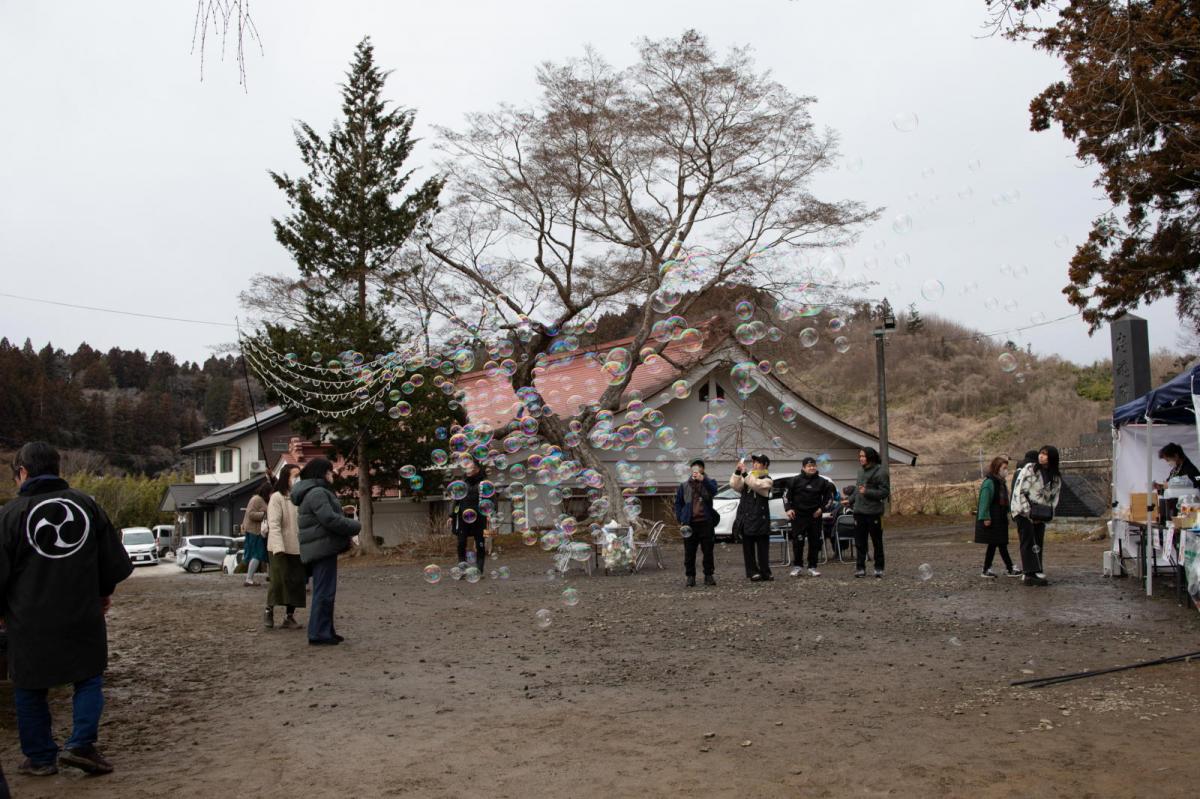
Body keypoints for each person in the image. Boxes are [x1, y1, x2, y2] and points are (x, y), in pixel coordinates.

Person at [0, 442, 133, 776]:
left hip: (27, 618)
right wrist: (104, 593)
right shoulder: (87, 505)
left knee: (29, 687)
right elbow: (112, 561)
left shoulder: (9, 515)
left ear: (23, 472)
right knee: (87, 678)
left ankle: (40, 757)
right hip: (82, 612)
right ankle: (81, 745)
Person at [292, 458, 361, 646]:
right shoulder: (317, 493)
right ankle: (318, 633)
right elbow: (329, 518)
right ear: (322, 473)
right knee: (324, 592)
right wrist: (354, 526)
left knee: (325, 591)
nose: (332, 474)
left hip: (320, 547)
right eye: (329, 471)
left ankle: (326, 630)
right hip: (322, 548)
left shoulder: (312, 490)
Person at [1011, 445, 1062, 587]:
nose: (1041, 456)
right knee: (1028, 541)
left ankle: (1037, 569)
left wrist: (1047, 514)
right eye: (1041, 453)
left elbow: (1054, 498)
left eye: (1045, 454)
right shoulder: (1030, 469)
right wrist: (1028, 513)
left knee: (1038, 541)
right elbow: (1020, 490)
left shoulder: (1055, 477)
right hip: (1023, 510)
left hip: (1041, 513)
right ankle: (1029, 572)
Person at [265, 464, 305, 630]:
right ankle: (269, 611)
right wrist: (278, 547)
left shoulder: (300, 497)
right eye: (294, 476)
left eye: (299, 475)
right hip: (278, 547)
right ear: (285, 478)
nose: (297, 479)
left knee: (296, 582)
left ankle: (289, 616)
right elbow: (274, 524)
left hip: (297, 547)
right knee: (277, 580)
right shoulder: (277, 498)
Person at [784, 457, 835, 577]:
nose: (812, 468)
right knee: (798, 542)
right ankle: (797, 566)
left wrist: (821, 509)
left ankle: (812, 567)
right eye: (809, 466)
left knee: (815, 542)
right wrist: (788, 509)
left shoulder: (822, 482)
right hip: (798, 516)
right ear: (803, 467)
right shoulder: (794, 480)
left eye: (813, 466)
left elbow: (829, 498)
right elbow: (786, 496)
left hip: (815, 516)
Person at [673, 458, 720, 587]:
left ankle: (708, 575)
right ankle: (690, 576)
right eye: (694, 467)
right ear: (691, 470)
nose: (696, 470)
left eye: (699, 467)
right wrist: (681, 518)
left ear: (703, 469)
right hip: (690, 523)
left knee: (708, 551)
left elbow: (714, 491)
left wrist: (703, 480)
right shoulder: (684, 485)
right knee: (689, 552)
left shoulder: (710, 482)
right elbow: (678, 503)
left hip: (706, 522)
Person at [848, 447, 889, 578]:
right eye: (860, 456)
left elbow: (885, 492)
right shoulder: (860, 471)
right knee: (860, 542)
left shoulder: (881, 472)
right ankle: (860, 568)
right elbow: (857, 489)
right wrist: (849, 500)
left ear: (870, 457)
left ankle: (879, 568)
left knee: (877, 542)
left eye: (863, 456)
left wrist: (867, 492)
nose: (861, 458)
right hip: (859, 512)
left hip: (874, 512)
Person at [731, 454, 774, 581]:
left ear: (765, 465)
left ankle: (765, 572)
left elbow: (756, 485)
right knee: (748, 547)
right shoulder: (748, 477)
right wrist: (737, 472)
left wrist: (745, 474)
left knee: (763, 548)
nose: (754, 464)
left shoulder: (767, 479)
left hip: (761, 518)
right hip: (746, 516)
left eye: (758, 462)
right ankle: (752, 572)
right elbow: (734, 485)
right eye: (754, 462)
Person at [976, 456, 1019, 578]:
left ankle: (992, 568)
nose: (1006, 470)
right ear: (997, 468)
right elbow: (984, 501)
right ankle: (1008, 568)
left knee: (998, 543)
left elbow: (1005, 501)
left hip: (1000, 517)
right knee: (998, 543)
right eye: (1004, 468)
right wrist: (985, 517)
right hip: (993, 518)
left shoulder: (1001, 483)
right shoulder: (989, 482)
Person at [451, 460, 488, 574]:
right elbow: (456, 501)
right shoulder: (462, 484)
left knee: (480, 543)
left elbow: (491, 500)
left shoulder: (484, 484)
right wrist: (451, 515)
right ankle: (462, 568)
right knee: (461, 543)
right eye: (466, 467)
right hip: (463, 517)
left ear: (477, 469)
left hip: (480, 518)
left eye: (471, 467)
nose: (468, 469)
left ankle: (479, 570)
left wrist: (491, 514)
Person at [242, 478, 271, 587]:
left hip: (254, 531)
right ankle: (249, 579)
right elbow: (251, 514)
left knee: (257, 554)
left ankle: (250, 578)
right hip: (255, 531)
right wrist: (264, 514)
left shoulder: (256, 499)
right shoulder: (257, 499)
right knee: (257, 554)